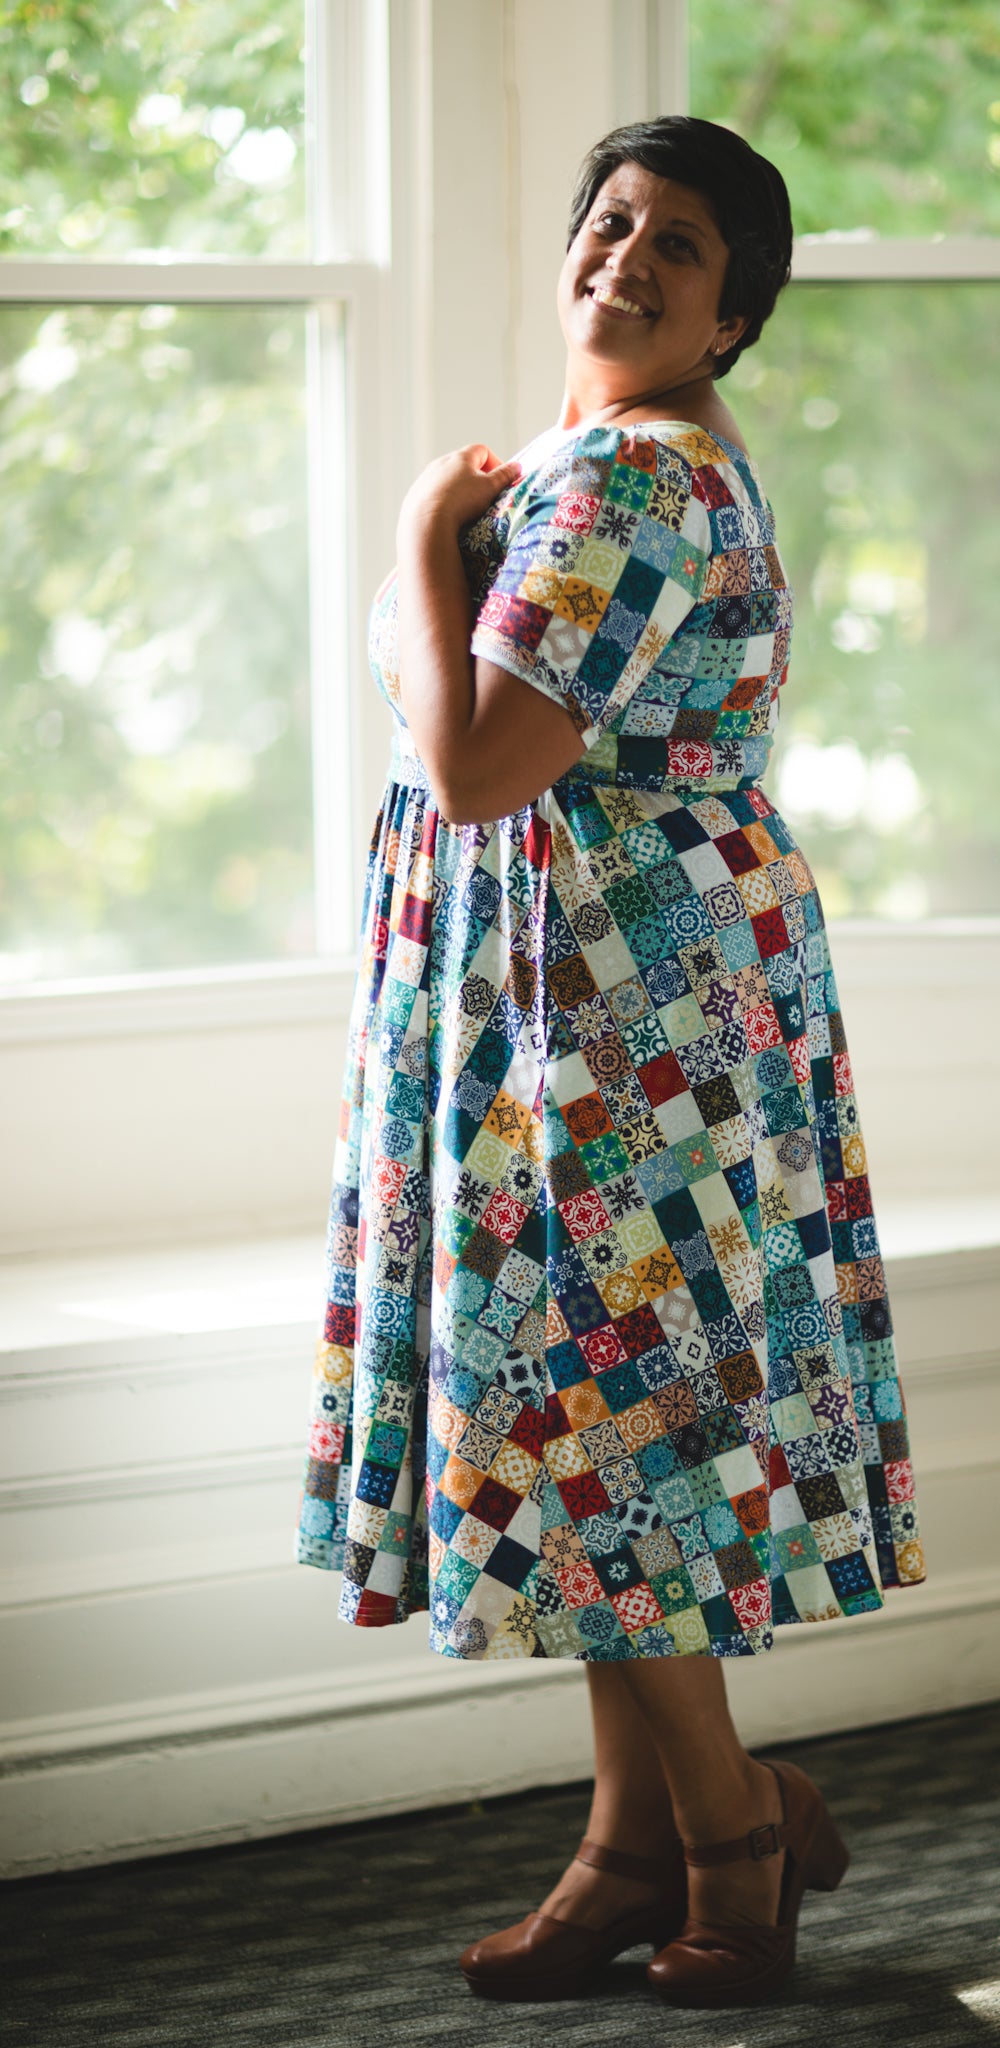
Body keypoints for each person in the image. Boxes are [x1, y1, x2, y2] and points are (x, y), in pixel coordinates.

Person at [295, 115, 925, 2009]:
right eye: (612, 219)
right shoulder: (611, 466)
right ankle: (630, 1841)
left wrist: (419, 537)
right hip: (598, 987)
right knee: (595, 1429)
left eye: (682, 249)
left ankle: (733, 1833)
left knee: (612, 1417)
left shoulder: (627, 486)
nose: (626, 258)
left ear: (732, 320)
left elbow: (479, 762)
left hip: (625, 1015)